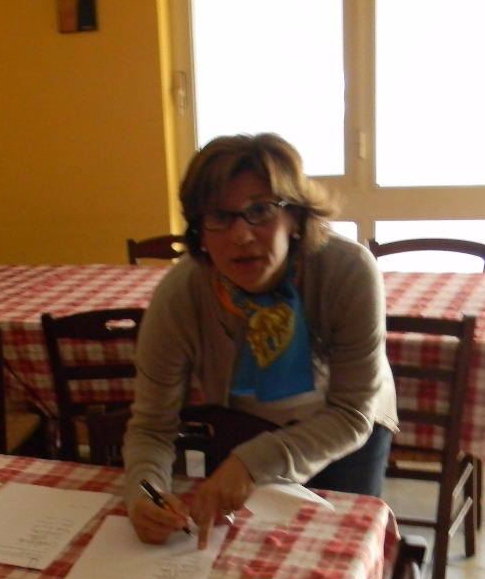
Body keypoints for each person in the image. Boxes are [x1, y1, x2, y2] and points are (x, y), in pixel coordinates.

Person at [123, 132, 397, 547]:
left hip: (345, 430)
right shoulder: (179, 296)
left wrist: (251, 463)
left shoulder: (348, 271)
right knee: (240, 551)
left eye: (260, 211)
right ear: (199, 231)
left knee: (336, 550)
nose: (241, 235)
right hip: (243, 428)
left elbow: (351, 413)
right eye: (220, 216)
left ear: (295, 218)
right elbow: (151, 427)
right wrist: (146, 492)